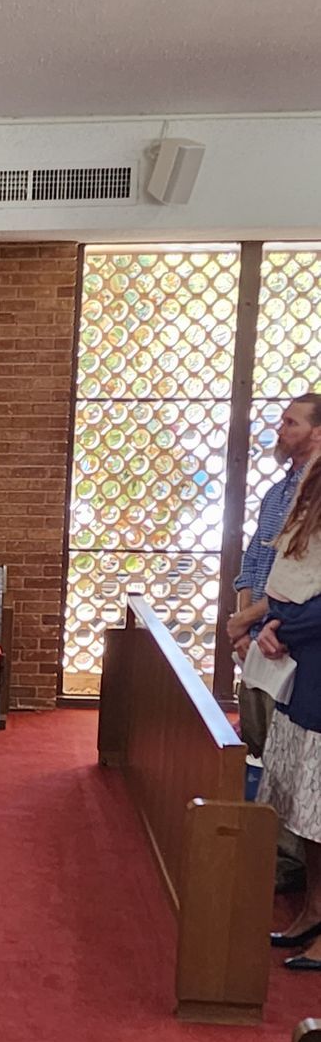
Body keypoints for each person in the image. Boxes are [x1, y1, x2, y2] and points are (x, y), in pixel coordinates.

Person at [248, 402, 321, 971]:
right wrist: (268, 619)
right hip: (305, 656)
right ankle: (312, 913)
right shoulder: (302, 488)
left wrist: (280, 625)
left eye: (294, 423)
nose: (281, 431)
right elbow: (287, 571)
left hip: (312, 648)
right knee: (307, 805)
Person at [227, 395, 321, 758]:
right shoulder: (277, 492)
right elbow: (253, 561)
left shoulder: (312, 497)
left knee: (284, 753)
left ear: (317, 433)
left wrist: (248, 620)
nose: (279, 431)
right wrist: (243, 625)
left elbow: (301, 578)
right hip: (257, 638)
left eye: (290, 423)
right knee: (254, 746)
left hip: (289, 639)